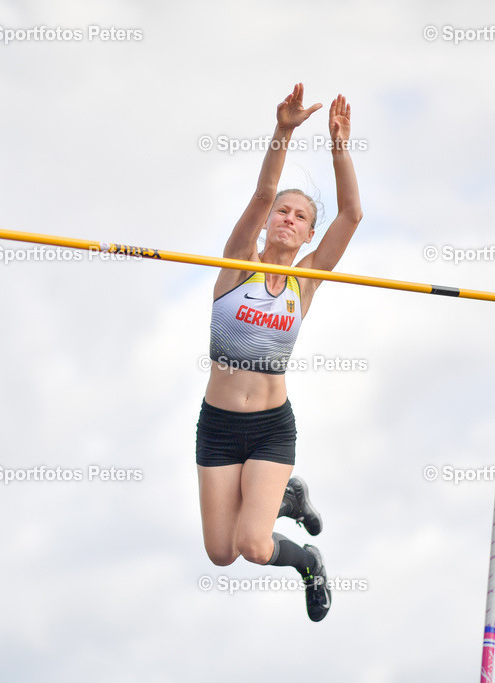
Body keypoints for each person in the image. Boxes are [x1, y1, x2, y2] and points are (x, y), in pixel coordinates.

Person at [196, 83, 362, 621]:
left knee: (254, 547)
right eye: (282, 212)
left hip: (271, 426)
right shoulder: (238, 263)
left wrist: (339, 145)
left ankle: (307, 562)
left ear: (310, 233)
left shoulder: (307, 280)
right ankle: (288, 500)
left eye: (300, 216)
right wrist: (284, 130)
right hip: (219, 426)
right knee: (220, 554)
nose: (288, 218)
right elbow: (263, 194)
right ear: (270, 222)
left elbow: (352, 215)